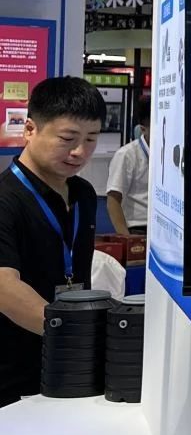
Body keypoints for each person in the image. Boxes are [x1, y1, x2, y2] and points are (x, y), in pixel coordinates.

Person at [0, 76, 105, 407]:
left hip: (71, 366)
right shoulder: (6, 198)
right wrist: (74, 333)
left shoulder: (84, 193)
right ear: (30, 130)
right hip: (13, 371)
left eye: (91, 139)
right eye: (67, 138)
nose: (79, 152)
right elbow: (4, 287)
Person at [106, 95, 150, 237]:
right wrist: (126, 238)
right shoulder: (126, 155)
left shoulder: (170, 154)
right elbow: (113, 200)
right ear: (143, 129)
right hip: (138, 228)